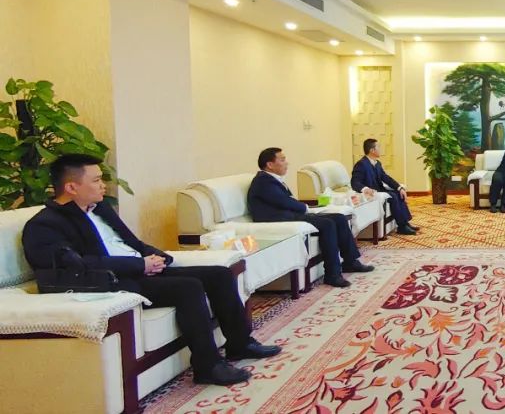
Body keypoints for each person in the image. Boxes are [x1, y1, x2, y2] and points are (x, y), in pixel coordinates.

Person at [21, 154, 281, 386]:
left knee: (218, 274)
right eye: (97, 180)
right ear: (71, 187)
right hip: (113, 280)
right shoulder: (45, 225)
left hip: (141, 268)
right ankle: (208, 366)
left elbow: (131, 242)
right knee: (188, 287)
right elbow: (80, 264)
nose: (103, 185)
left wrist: (157, 257)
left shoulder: (101, 209)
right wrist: (139, 265)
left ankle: (240, 344)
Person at [248, 147, 372, 288]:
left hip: (290, 215)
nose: (286, 163)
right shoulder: (263, 181)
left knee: (339, 218)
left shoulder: (272, 179)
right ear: (270, 164)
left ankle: (350, 262)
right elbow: (283, 201)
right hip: (279, 220)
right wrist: (305, 208)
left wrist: (306, 208)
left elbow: (286, 201)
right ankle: (332, 274)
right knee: (327, 224)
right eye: (282, 160)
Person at [351, 139, 419, 235]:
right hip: (373, 193)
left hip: (381, 190)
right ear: (372, 150)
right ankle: (401, 227)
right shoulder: (361, 164)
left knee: (398, 193)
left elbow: (386, 178)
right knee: (393, 196)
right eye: (378, 147)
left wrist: (399, 187)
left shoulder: (377, 163)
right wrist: (365, 189)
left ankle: (405, 223)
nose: (380, 149)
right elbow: (354, 182)